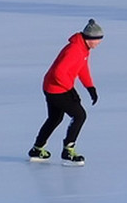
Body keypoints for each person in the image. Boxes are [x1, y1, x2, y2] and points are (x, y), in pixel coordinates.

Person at [28, 19, 103, 166]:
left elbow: (82, 68)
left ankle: (37, 149)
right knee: (79, 115)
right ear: (90, 38)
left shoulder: (83, 48)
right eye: (98, 40)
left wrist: (90, 87)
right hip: (56, 88)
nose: (99, 43)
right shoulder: (74, 50)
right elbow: (59, 73)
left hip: (53, 86)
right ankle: (68, 150)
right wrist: (70, 90)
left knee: (55, 118)